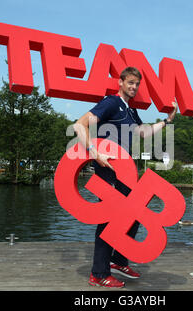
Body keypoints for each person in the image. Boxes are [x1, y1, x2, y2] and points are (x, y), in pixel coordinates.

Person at [73, 66, 177, 288]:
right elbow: (79, 125)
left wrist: (167, 121)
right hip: (107, 171)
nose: (134, 87)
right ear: (120, 82)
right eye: (130, 82)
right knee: (107, 221)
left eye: (137, 84)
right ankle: (98, 274)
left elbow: (143, 132)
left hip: (124, 173)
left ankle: (118, 260)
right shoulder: (111, 102)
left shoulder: (129, 110)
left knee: (133, 215)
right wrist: (94, 152)